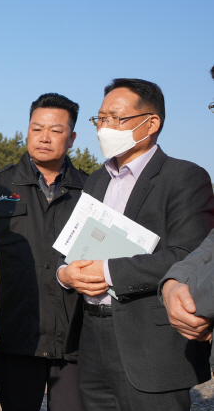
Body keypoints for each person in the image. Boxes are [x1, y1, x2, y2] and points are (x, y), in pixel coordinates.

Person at [57, 78, 214, 411]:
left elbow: (189, 255)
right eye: (100, 119)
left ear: (151, 122)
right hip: (92, 339)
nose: (105, 128)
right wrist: (65, 274)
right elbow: (72, 246)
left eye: (117, 118)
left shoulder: (184, 176)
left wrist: (110, 271)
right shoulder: (97, 179)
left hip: (149, 344)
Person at [0, 93, 87, 411]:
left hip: (74, 339)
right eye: (36, 128)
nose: (44, 137)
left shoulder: (91, 190)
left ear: (71, 138)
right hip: (15, 334)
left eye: (55, 130)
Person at [159, 65, 214, 365]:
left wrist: (195, 303)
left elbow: (185, 243)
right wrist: (173, 282)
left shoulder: (185, 176)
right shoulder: (99, 179)